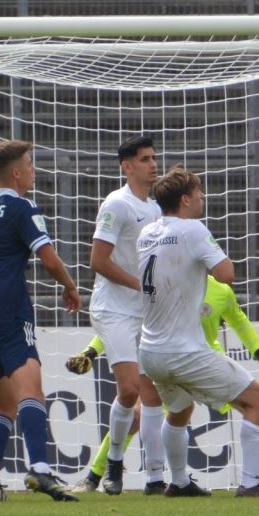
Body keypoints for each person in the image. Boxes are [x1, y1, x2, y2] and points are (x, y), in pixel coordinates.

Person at [135, 168, 259, 497]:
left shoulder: (147, 232)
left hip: (150, 352)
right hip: (183, 352)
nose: (203, 197)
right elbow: (226, 274)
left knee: (179, 410)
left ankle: (178, 482)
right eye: (198, 192)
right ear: (185, 199)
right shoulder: (193, 229)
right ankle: (251, 484)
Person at [68, 276, 259, 492]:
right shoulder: (164, 286)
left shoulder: (221, 291)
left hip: (208, 364)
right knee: (137, 416)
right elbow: (126, 325)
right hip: (171, 365)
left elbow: (241, 323)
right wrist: (90, 352)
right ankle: (95, 477)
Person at [0, 139, 85, 503]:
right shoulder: (22, 207)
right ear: (15, 173)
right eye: (30, 165)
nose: (34, 171)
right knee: (32, 391)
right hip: (8, 310)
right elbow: (48, 258)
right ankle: (40, 469)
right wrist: (70, 286)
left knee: (3, 404)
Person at [86, 135, 168, 495]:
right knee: (130, 389)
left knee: (152, 395)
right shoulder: (116, 204)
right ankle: (115, 462)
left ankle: (155, 477)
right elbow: (98, 261)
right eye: (145, 159)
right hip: (114, 309)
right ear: (127, 166)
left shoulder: (156, 209)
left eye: (153, 157)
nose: (153, 164)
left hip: (145, 312)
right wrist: (140, 285)